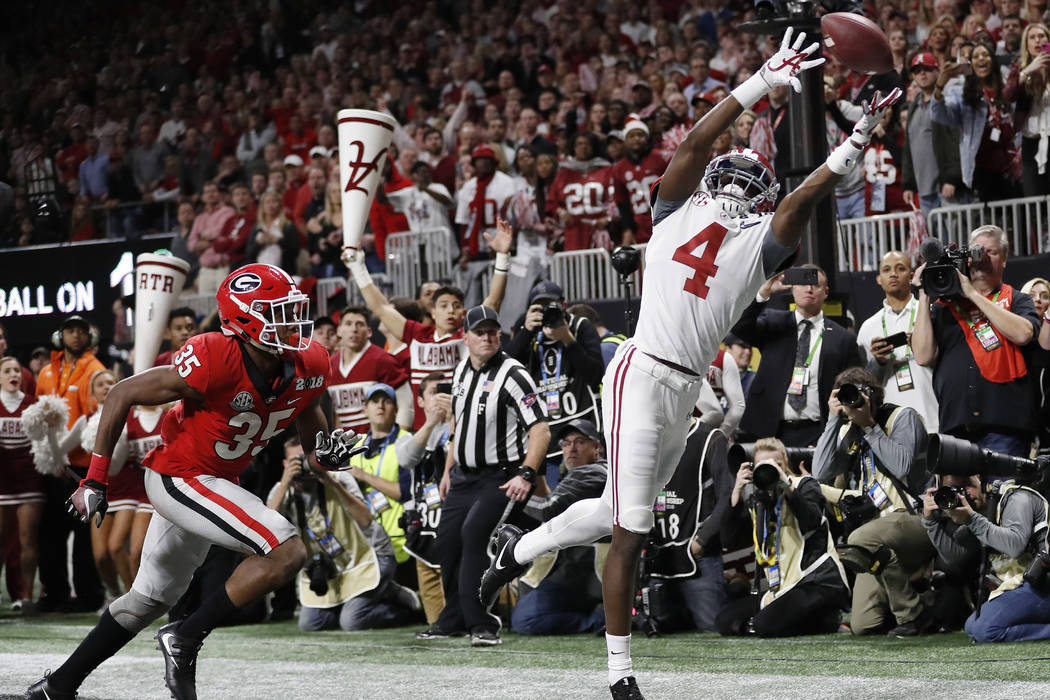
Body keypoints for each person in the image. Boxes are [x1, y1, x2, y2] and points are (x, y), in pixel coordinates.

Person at [480, 30, 900, 699]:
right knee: (631, 533)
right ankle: (619, 674)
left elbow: (731, 163)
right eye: (732, 177)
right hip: (642, 371)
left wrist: (771, 90)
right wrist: (835, 135)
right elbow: (776, 185)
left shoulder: (716, 226)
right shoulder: (701, 222)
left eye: (743, 178)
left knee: (625, 509)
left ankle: (518, 549)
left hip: (682, 386)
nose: (733, 183)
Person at [25, 263, 363, 700]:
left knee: (147, 599)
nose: (290, 322)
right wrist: (95, 480)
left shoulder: (310, 361)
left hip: (213, 481)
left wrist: (323, 455)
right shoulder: (213, 355)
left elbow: (306, 411)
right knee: (286, 549)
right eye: (275, 312)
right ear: (242, 320)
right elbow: (121, 393)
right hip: (179, 476)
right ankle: (186, 635)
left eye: (290, 310)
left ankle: (57, 685)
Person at [419, 305, 550, 647]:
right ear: (466, 337)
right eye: (480, 332)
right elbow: (457, 422)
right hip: (462, 476)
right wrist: (449, 467)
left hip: (501, 477)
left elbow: (541, 430)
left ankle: (483, 623)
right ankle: (452, 619)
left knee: (474, 536)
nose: (488, 337)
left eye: (493, 331)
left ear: (501, 335)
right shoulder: (461, 369)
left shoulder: (514, 374)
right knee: (446, 542)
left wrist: (526, 474)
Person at [344, 219, 512, 429]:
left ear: (463, 312)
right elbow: (381, 308)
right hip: (422, 429)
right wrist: (358, 267)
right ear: (432, 312)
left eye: (456, 305)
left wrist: (503, 256)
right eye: (443, 305)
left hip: (462, 425)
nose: (450, 310)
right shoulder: (417, 334)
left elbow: (493, 302)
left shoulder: (468, 335)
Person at [813, 368, 934, 637]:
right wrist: (833, 420)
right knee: (863, 625)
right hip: (875, 530)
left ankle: (913, 614)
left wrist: (869, 426)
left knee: (860, 539)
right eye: (846, 396)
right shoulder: (849, 430)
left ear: (873, 395)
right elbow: (821, 472)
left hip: (914, 517)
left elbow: (901, 466)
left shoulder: (903, 417)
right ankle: (921, 596)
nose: (853, 401)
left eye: (858, 393)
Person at [267, 436, 421, 631]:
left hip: (372, 556)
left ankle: (399, 604)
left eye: (306, 459)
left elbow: (366, 519)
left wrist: (327, 479)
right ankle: (373, 595)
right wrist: (285, 481)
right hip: (333, 565)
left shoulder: (339, 476)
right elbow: (267, 528)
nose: (303, 466)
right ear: (285, 464)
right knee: (311, 624)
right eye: (296, 461)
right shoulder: (282, 490)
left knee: (352, 621)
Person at [912, 225, 1040, 459]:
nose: (980, 258)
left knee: (1003, 494)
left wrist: (972, 294)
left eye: (989, 252)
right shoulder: (943, 308)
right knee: (959, 497)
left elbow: (1023, 334)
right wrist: (923, 294)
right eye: (976, 252)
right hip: (955, 426)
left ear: (1004, 259)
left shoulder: (1017, 300)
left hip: (1005, 425)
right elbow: (922, 355)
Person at [717, 438, 849, 637]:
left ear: (785, 464)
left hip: (818, 583)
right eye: (764, 466)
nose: (772, 470)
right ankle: (812, 620)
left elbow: (811, 520)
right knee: (724, 621)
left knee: (764, 625)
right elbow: (728, 540)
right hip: (782, 589)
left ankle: (827, 620)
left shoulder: (805, 485)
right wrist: (736, 491)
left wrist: (785, 485)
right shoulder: (758, 500)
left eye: (776, 465)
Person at [733, 265, 863, 446]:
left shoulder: (843, 338)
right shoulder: (773, 322)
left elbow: (854, 385)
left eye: (815, 285)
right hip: (770, 431)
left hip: (820, 431)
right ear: (792, 288)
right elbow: (738, 327)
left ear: (825, 292)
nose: (809, 289)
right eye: (803, 283)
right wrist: (764, 292)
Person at [922, 467, 1050, 642]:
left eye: (967, 485)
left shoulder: (1016, 498)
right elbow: (954, 558)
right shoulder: (979, 516)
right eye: (955, 490)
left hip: (1043, 582)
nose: (964, 494)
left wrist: (971, 520)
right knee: (972, 626)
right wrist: (930, 522)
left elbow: (1015, 545)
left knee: (985, 629)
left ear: (978, 477)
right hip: (1031, 586)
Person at [35, 314, 106, 613]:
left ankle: (88, 596)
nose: (76, 335)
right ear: (60, 336)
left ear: (89, 337)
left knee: (82, 536)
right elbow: (37, 417)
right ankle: (54, 594)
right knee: (49, 532)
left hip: (81, 465)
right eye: (70, 330)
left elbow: (94, 418)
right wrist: (47, 454)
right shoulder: (46, 372)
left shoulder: (95, 369)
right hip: (50, 464)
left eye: (81, 331)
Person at [511, 419, 608, 636]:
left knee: (525, 620)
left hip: (587, 573)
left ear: (597, 447)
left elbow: (546, 510)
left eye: (580, 442)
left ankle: (600, 620)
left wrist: (524, 479)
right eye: (566, 443)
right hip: (577, 569)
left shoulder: (593, 472)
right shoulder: (579, 474)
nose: (571, 449)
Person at [506, 281, 604, 467]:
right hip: (544, 429)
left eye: (550, 305)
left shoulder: (580, 326)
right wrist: (526, 332)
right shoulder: (527, 327)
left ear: (564, 305)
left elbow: (595, 375)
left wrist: (568, 340)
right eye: (539, 306)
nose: (545, 311)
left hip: (579, 425)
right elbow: (509, 368)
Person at [855, 251, 939, 432]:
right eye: (887, 270)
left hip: (932, 415)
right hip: (889, 424)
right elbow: (864, 384)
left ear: (911, 276)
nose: (893, 274)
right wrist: (877, 361)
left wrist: (920, 346)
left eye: (900, 268)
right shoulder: (868, 327)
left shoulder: (929, 313)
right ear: (879, 279)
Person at [343, 384, 413, 565]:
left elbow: (405, 492)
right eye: (375, 401)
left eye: (387, 401)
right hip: (364, 543)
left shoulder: (406, 441)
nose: (380, 406)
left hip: (398, 541)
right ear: (365, 409)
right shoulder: (355, 446)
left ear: (396, 409)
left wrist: (364, 476)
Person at [901, 53, 966, 222]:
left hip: (946, 188)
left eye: (928, 69)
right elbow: (909, 147)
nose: (922, 74)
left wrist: (952, 178)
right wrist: (908, 184)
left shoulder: (947, 101)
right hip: (924, 192)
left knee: (956, 242)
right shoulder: (914, 105)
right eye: (917, 71)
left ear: (938, 71)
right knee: (936, 245)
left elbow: (956, 141)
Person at [0, 356, 42, 611]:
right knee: (1, 540)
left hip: (28, 478)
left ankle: (25, 596)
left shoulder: (32, 405)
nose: (13, 374)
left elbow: (44, 442)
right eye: (6, 370)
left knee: (28, 539)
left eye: (17, 369)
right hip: (1, 480)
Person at [327, 306, 409, 436]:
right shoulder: (329, 365)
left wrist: (401, 440)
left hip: (379, 443)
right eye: (348, 324)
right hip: (345, 448)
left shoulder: (382, 360)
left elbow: (406, 403)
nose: (354, 329)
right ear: (339, 330)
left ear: (369, 331)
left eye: (359, 324)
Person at [454, 146, 518, 306]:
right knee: (473, 298)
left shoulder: (507, 183)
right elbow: (463, 222)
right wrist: (465, 248)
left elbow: (513, 219)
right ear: (474, 164)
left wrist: (504, 244)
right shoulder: (468, 188)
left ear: (494, 162)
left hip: (500, 245)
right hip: (477, 248)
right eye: (479, 160)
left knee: (503, 294)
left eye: (486, 160)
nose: (483, 164)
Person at [187, 183, 236, 296]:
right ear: (203, 197)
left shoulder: (228, 211)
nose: (210, 195)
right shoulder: (199, 218)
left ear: (219, 194)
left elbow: (224, 235)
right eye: (207, 192)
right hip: (205, 270)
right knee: (205, 307)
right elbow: (191, 244)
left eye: (213, 191)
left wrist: (203, 237)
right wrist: (213, 240)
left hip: (223, 268)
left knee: (225, 306)